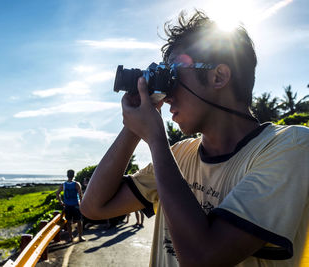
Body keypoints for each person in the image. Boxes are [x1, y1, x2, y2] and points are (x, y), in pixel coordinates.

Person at [80, 10, 309, 267]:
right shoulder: (180, 156)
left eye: (174, 76)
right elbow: (94, 207)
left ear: (218, 76)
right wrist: (133, 126)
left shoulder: (292, 146)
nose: (167, 96)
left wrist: (156, 139)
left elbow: (202, 258)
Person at [56, 169, 86, 242]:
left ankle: (70, 238)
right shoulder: (76, 184)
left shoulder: (63, 184)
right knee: (79, 221)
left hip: (67, 206)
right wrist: (81, 204)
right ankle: (80, 237)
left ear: (67, 175)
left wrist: (61, 202)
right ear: (73, 175)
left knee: (69, 222)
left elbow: (57, 193)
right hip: (75, 205)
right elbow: (80, 195)